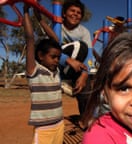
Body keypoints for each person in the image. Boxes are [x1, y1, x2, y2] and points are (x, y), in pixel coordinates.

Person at [35, 0, 94, 123]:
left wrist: (84, 75)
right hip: (58, 66)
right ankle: (61, 82)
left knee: (86, 87)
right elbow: (50, 49)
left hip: (76, 68)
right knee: (74, 46)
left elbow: (89, 56)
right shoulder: (57, 26)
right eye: (72, 11)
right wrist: (67, 59)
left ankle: (85, 118)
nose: (75, 14)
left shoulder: (84, 32)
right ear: (64, 14)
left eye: (79, 13)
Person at [23, 5, 64, 144]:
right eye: (53, 57)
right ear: (40, 56)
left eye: (58, 57)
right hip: (43, 129)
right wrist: (26, 11)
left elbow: (55, 40)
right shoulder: (35, 71)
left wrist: (40, 19)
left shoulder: (55, 71)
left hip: (59, 124)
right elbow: (30, 39)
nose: (57, 61)